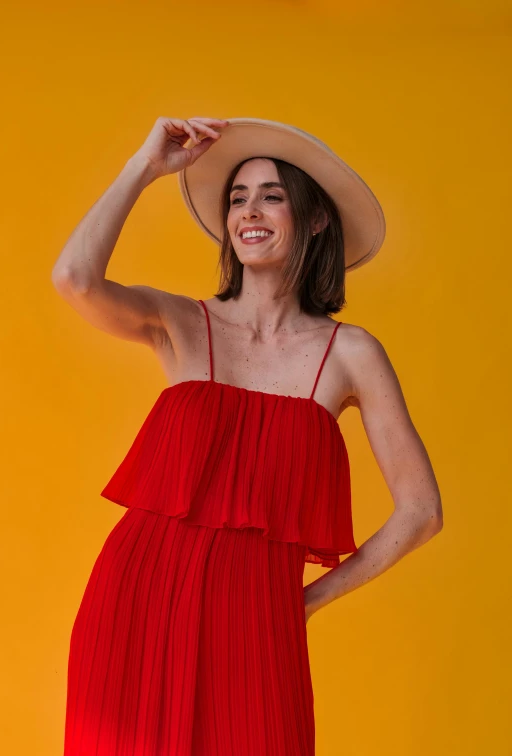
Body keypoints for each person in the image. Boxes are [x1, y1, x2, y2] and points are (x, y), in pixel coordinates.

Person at [52, 116, 443, 755]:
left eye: (271, 195)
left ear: (315, 219)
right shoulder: (180, 320)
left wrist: (306, 602)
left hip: (256, 622)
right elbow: (73, 280)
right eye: (237, 197)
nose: (248, 212)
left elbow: (422, 512)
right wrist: (145, 168)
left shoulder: (349, 354)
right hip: (136, 598)